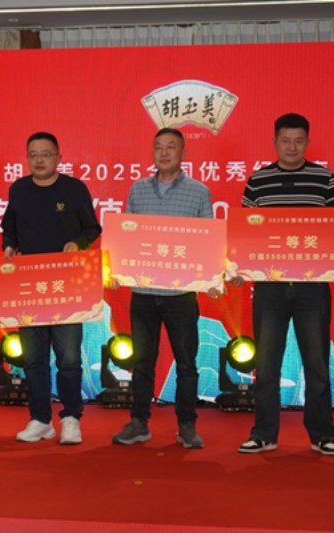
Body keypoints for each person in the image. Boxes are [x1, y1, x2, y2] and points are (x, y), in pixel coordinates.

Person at [230, 113, 334, 456]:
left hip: (312, 287)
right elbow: (245, 233)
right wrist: (239, 267)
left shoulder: (324, 179)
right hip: (270, 288)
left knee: (317, 365)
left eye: (298, 141)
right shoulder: (258, 180)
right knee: (266, 366)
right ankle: (264, 433)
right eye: (285, 140)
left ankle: (322, 434)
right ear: (274, 142)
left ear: (307, 142)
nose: (292, 147)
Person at [111, 127, 213, 449]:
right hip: (143, 294)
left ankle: (186, 426)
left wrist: (211, 276)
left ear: (183, 153)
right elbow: (127, 236)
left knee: (186, 363)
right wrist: (117, 268)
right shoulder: (138, 190)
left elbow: (208, 242)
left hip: (180, 296)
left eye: (171, 147)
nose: (164, 153)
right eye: (158, 147)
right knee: (142, 362)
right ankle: (139, 422)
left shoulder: (199, 192)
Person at [1, 132, 101, 445]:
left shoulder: (74, 189)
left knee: (69, 357)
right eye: (33, 155)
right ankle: (40, 419)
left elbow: (92, 227)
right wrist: (8, 246)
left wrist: (77, 243)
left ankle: (71, 418)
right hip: (29, 287)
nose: (39, 160)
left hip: (67, 286)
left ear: (58, 157)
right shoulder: (19, 189)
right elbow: (9, 227)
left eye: (45, 154)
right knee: (34, 359)